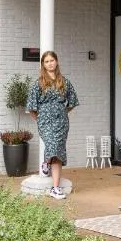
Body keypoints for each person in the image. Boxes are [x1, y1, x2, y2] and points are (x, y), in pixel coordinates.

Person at [26, 50, 79, 200]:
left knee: (58, 153)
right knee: (53, 146)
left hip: (61, 122)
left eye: (52, 60)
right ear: (43, 64)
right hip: (45, 122)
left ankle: (55, 188)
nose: (50, 63)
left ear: (56, 62)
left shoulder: (65, 82)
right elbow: (31, 107)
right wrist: (40, 119)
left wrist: (61, 111)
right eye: (46, 61)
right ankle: (47, 160)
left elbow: (72, 102)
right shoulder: (38, 83)